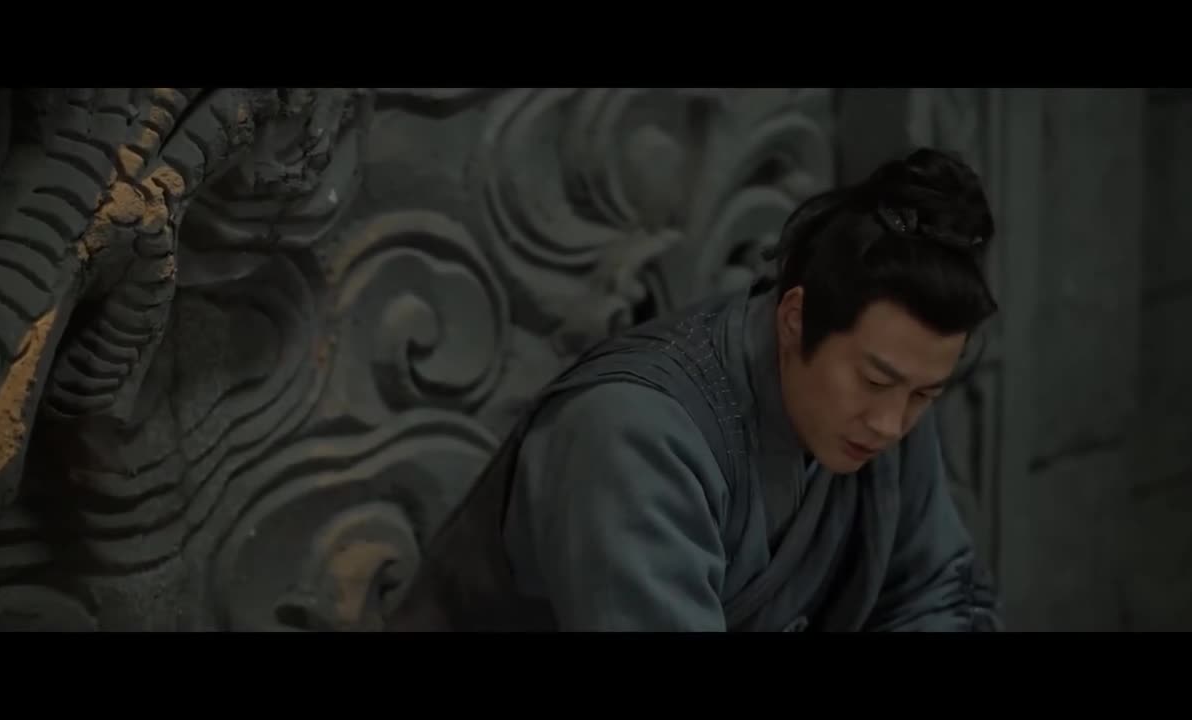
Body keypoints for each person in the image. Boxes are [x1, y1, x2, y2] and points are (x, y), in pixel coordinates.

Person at [389, 147, 1003, 632]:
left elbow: (938, 596)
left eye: (925, 395)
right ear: (795, 318)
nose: (891, 423)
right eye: (874, 381)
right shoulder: (632, 433)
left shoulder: (887, 406)